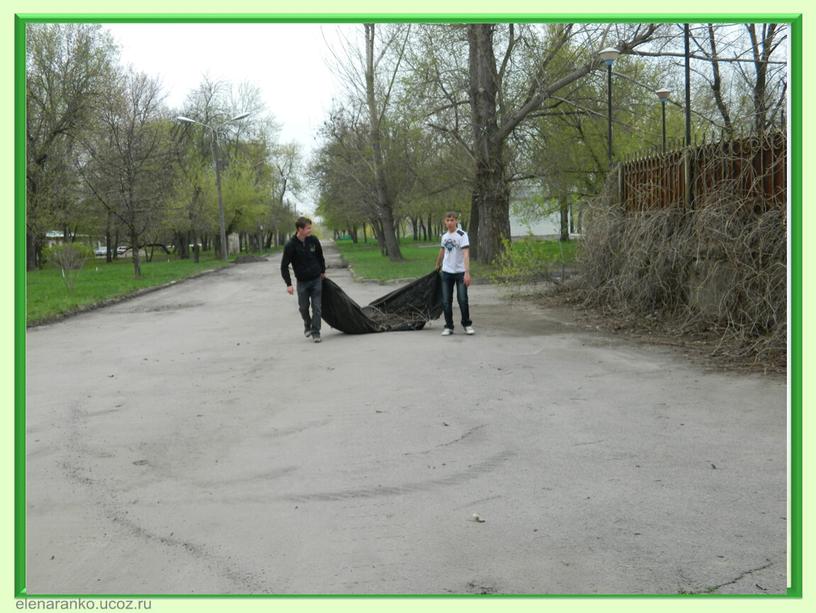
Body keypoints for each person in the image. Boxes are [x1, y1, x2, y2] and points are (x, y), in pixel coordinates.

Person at [281, 217, 326, 343]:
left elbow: (320, 256)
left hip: (316, 279)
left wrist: (322, 271)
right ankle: (307, 323)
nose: (310, 230)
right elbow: (284, 266)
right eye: (308, 228)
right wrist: (289, 284)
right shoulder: (291, 245)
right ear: (300, 229)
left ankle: (316, 332)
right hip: (302, 282)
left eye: (310, 228)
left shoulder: (313, 240)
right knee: (303, 307)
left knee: (317, 308)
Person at [434, 211, 474, 336]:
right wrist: (437, 264)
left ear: (456, 221)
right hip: (446, 273)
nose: (450, 222)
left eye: (452, 220)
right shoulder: (444, 236)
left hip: (460, 272)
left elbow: (466, 254)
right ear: (444, 222)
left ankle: (467, 324)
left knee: (462, 299)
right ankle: (449, 326)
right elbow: (442, 251)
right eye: (448, 220)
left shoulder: (462, 235)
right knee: (446, 301)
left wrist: (467, 272)